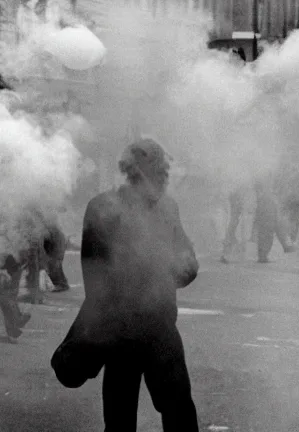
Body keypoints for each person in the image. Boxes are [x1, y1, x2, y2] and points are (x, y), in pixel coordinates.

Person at [79, 138, 200, 431]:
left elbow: (92, 275)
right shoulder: (107, 209)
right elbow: (94, 273)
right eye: (161, 171)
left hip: (135, 327)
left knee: (162, 411)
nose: (165, 177)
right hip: (138, 327)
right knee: (174, 411)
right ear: (143, 172)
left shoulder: (105, 206)